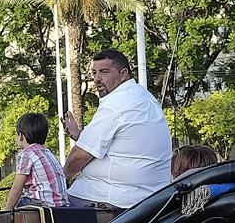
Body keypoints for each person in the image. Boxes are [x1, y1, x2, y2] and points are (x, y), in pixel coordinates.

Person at [62, 49, 172, 212]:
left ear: (123, 74)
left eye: (104, 72)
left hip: (111, 198)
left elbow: (80, 156)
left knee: (37, 207)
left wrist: (58, 181)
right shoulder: (143, 97)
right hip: (148, 197)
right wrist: (80, 135)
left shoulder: (116, 105)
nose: (97, 79)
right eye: (94, 72)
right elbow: (125, 144)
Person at [4, 113, 69, 209]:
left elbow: (17, 188)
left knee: (19, 204)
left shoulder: (27, 154)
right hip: (62, 206)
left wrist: (6, 212)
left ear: (21, 136)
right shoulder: (48, 153)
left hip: (41, 205)